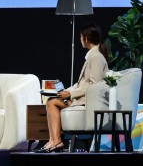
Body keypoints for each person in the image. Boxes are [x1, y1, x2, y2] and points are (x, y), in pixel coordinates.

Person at [35, 22, 109, 153]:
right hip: (82, 99)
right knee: (52, 101)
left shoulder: (96, 57)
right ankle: (53, 140)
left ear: (86, 38)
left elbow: (94, 86)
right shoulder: (93, 55)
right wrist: (66, 91)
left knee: (52, 102)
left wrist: (70, 94)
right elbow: (81, 83)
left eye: (81, 37)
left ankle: (56, 140)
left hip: (86, 102)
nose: (80, 39)